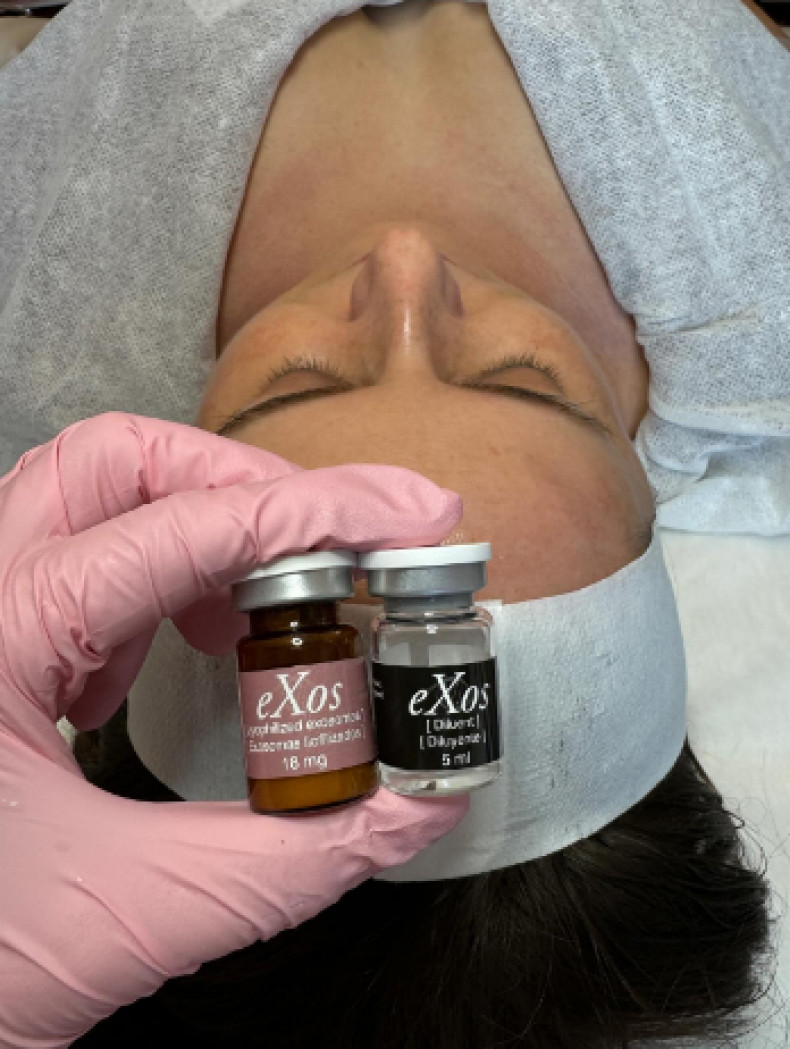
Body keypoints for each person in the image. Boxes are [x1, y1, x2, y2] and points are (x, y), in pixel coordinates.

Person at [1, 0, 788, 1046]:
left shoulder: (47, 307)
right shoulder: (761, 290)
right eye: (526, 380)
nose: (404, 260)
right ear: (649, 492)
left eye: (293, 384)